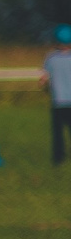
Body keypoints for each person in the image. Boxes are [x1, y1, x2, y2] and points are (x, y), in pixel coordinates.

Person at [49, 25, 71, 167]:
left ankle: (58, 158)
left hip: (58, 101)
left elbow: (44, 79)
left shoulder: (51, 59)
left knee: (58, 133)